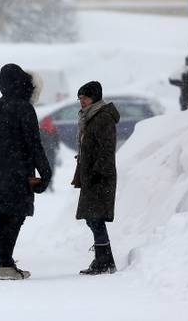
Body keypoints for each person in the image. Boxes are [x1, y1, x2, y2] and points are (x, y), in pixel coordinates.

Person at [0, 64, 53, 280]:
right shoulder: (24, 108)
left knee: (3, 216)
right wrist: (46, 172)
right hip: (18, 170)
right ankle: (4, 263)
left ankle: (4, 261)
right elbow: (34, 143)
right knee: (15, 216)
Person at [72, 81, 120, 275]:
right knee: (93, 218)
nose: (81, 102)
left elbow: (107, 148)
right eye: (80, 98)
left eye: (84, 97)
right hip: (93, 174)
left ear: (94, 97)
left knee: (95, 217)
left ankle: (103, 261)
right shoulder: (91, 116)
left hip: (100, 176)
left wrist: (96, 171)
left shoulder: (102, 118)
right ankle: (105, 259)